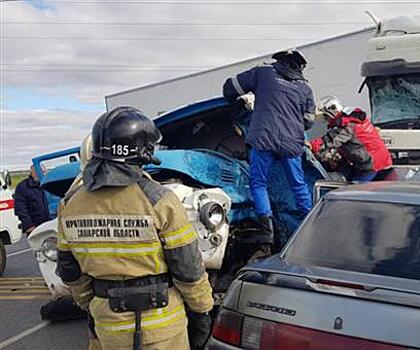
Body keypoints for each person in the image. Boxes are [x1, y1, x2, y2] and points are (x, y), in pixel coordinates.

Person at [56, 107, 214, 350]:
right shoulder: (160, 201)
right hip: (163, 328)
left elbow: (70, 271)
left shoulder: (69, 204)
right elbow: (188, 268)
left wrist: (93, 304)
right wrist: (202, 310)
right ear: (144, 151)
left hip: (108, 328)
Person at [222, 49, 315, 257]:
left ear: (279, 61)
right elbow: (308, 122)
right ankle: (310, 230)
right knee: (298, 185)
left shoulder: (263, 73)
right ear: (299, 67)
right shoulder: (305, 88)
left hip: (263, 138)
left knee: (258, 184)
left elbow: (231, 87)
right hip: (292, 143)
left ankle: (266, 238)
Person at [309, 95, 392, 182]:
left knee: (352, 192)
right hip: (382, 161)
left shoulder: (346, 125)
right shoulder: (353, 118)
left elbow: (329, 141)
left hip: (370, 165)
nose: (326, 119)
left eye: (326, 116)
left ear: (332, 112)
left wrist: (311, 145)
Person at [14, 165, 50, 235]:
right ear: (32, 172)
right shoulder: (23, 187)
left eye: (44, 172)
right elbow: (20, 209)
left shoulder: (48, 184)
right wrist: (29, 226)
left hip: (51, 224)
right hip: (35, 227)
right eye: (38, 171)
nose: (41, 174)